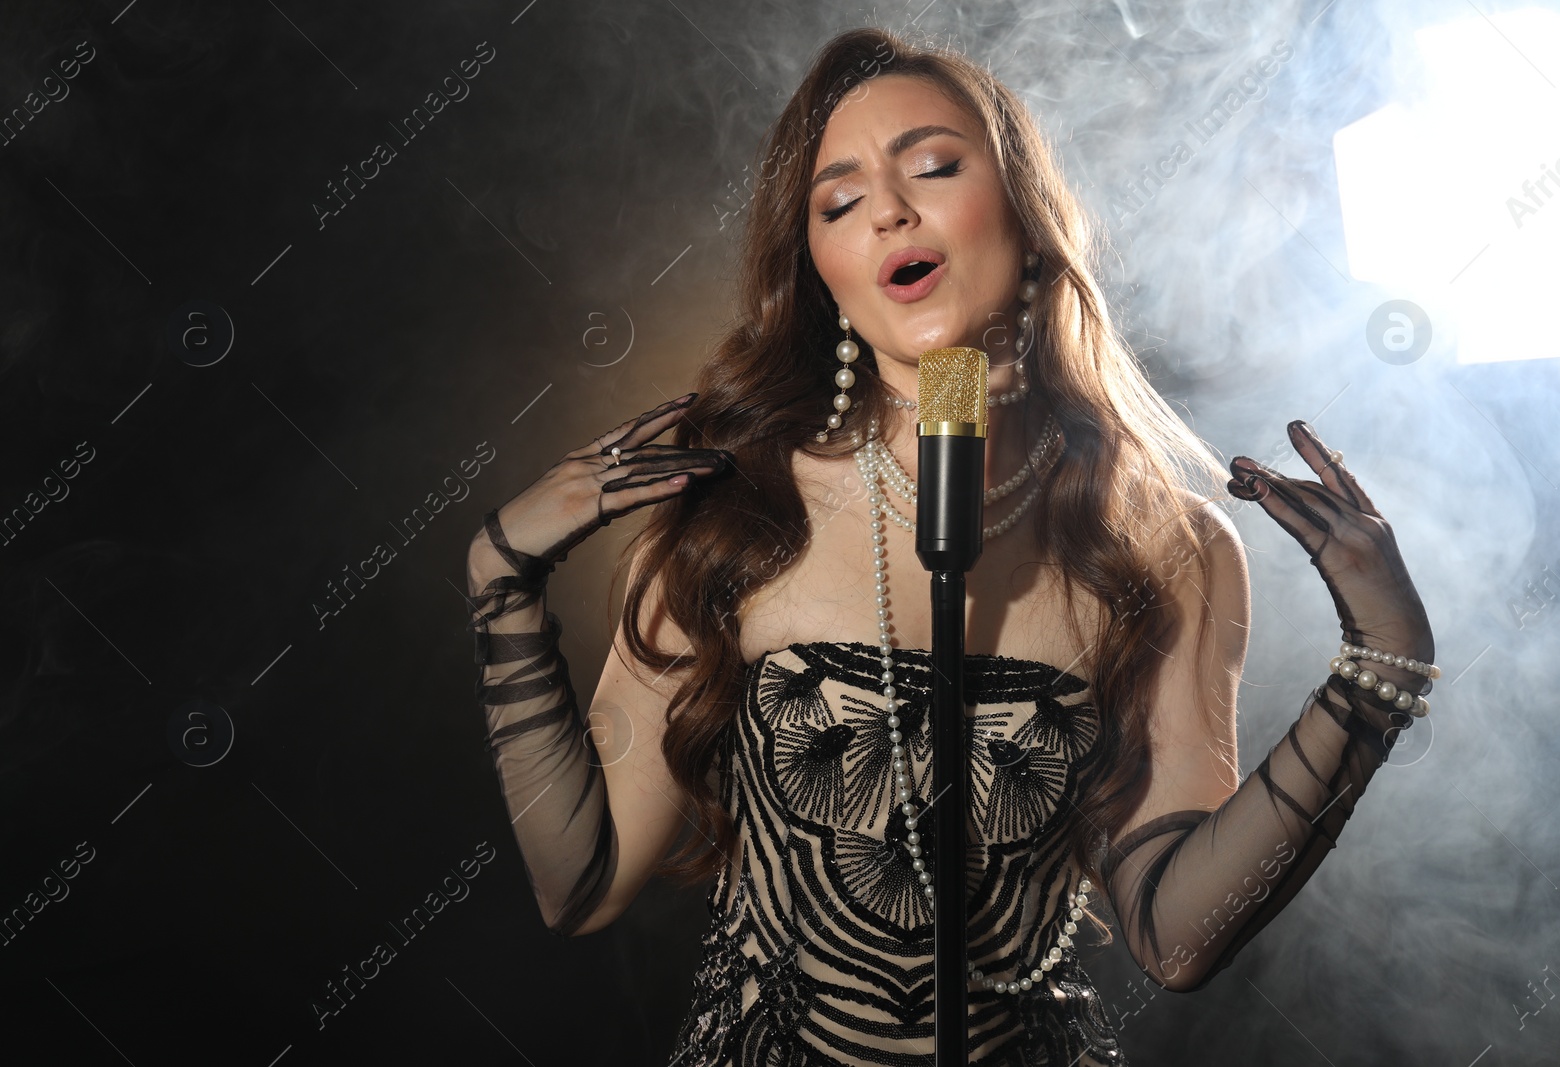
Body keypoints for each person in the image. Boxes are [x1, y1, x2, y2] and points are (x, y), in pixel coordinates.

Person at [463, 26, 1436, 1067]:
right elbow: (582, 881)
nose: (887, 209)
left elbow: (1177, 934)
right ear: (822, 270)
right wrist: (499, 582)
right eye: (839, 202)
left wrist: (1378, 672)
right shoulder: (734, 508)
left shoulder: (1170, 546)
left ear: (1023, 213)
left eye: (931, 167)